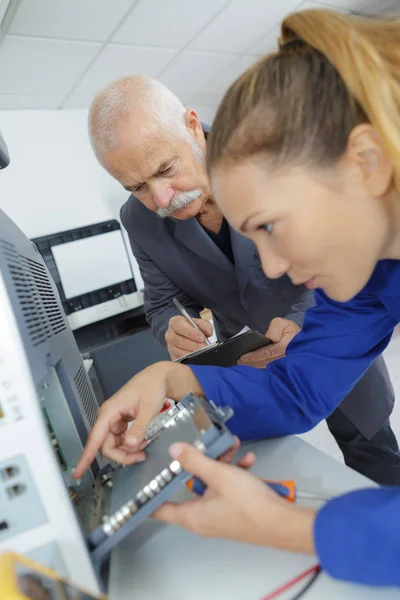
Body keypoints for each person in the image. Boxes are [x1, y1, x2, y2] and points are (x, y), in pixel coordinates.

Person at [74, 8, 400, 585]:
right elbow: (297, 390)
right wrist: (177, 380)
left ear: (368, 163)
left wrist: (291, 527)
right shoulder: (366, 289)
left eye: (270, 225)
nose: (275, 267)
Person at [87, 75, 399, 484]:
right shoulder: (361, 298)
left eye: (269, 226)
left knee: (374, 456)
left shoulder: (272, 157)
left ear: (193, 126)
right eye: (139, 187)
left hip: (329, 344)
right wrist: (176, 366)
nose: (160, 200)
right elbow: (295, 395)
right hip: (258, 371)